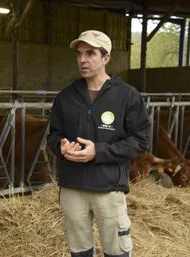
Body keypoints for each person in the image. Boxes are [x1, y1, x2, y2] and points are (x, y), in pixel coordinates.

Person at [47, 30, 150, 257]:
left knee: (117, 251)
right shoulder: (65, 97)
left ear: (106, 58)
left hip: (108, 188)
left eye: (91, 53)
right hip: (72, 187)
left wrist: (99, 151)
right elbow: (53, 136)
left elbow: (140, 141)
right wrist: (61, 147)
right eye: (79, 53)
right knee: (79, 251)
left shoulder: (127, 96)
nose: (82, 59)